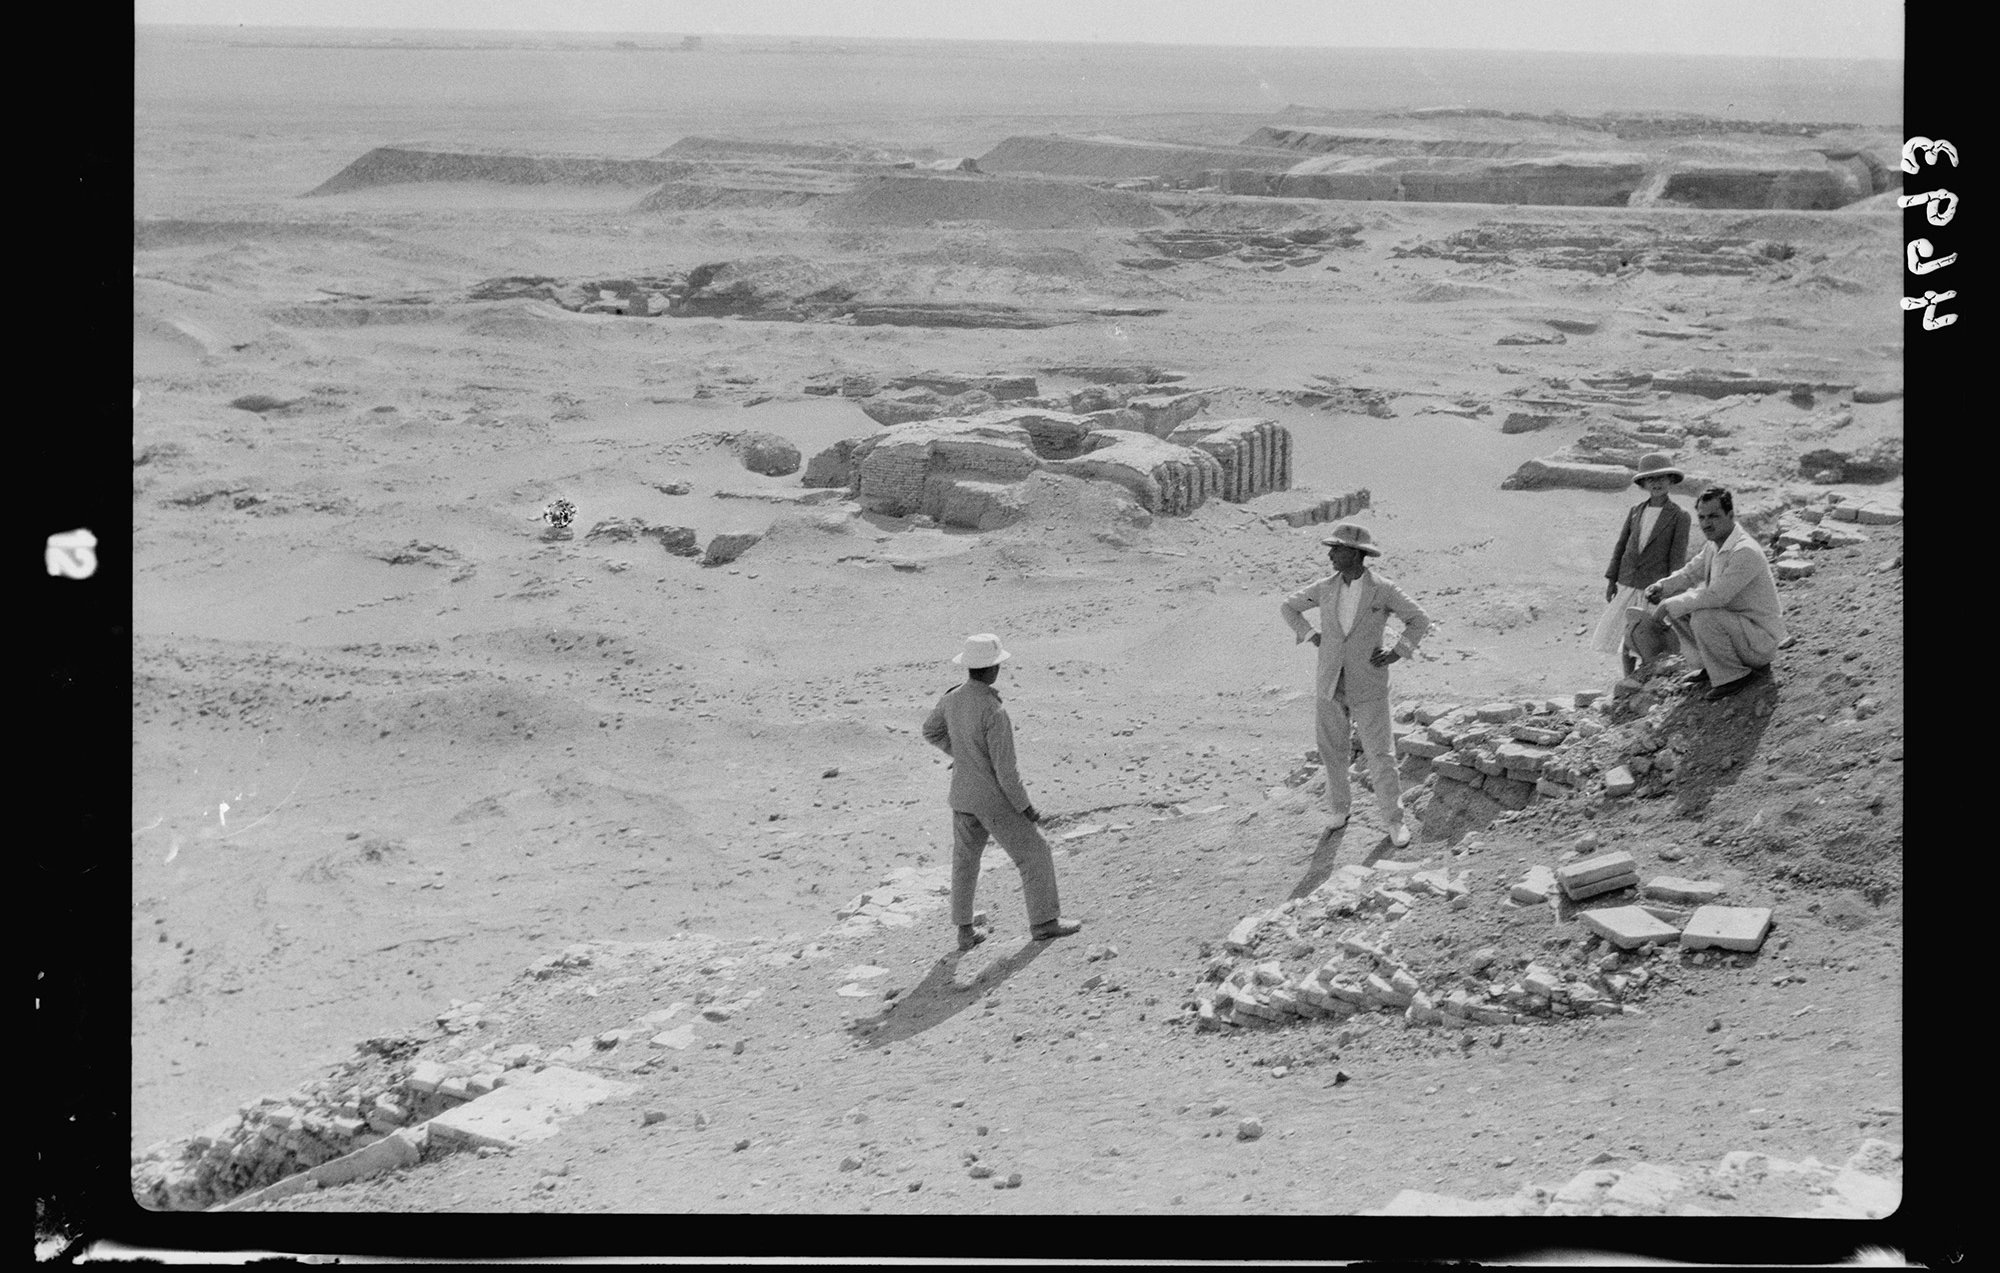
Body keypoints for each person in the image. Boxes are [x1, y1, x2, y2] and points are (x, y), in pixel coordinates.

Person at [921, 633, 1082, 952]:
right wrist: (1026, 808)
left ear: (968, 667)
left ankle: (965, 933)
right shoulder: (995, 711)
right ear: (993, 669)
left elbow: (930, 730)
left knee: (965, 863)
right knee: (1035, 853)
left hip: (963, 797)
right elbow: (1006, 772)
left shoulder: (952, 699)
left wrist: (964, 755)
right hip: (993, 801)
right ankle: (1044, 923)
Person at [1279, 523, 1432, 847]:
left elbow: (1419, 619)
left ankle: (1394, 821)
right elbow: (1289, 607)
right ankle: (1338, 809)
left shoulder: (1383, 589)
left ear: (1356, 553)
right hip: (1330, 681)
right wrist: (1311, 635)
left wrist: (1397, 652)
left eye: (1337, 548)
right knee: (1332, 750)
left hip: (1369, 683)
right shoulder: (1324, 587)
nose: (1331, 554)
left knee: (1381, 754)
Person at [1628, 486, 1787, 701]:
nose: (1706, 523)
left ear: (1731, 515)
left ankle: (1732, 676)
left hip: (1759, 643)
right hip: (1738, 630)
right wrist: (1662, 587)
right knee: (1683, 604)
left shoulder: (1745, 551)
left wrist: (1670, 603)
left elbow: (1717, 596)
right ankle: (1710, 666)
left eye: (1713, 516)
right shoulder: (1714, 545)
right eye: (1702, 517)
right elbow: (1690, 573)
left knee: (1701, 614)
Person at [1598, 454, 1692, 687]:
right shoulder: (1635, 512)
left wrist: (1671, 589)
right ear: (1643, 484)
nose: (1656, 483)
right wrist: (1612, 580)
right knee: (1626, 633)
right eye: (1650, 479)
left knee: (1648, 635)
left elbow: (1677, 557)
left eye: (1661, 478)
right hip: (1629, 583)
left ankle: (1648, 679)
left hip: (1654, 587)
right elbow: (1621, 546)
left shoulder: (1679, 516)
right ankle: (1628, 681)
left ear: (1671, 480)